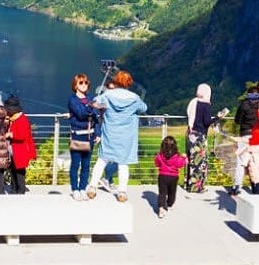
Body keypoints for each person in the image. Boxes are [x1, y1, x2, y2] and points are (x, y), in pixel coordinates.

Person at [87, 70, 147, 203]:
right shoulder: (134, 98)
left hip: (110, 133)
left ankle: (92, 187)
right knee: (123, 164)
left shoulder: (108, 95)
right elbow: (144, 108)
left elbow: (94, 103)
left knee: (102, 160)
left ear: (116, 81)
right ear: (129, 83)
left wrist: (100, 104)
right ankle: (122, 192)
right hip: (126, 137)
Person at [184, 83, 225, 193]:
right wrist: (218, 117)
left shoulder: (193, 102)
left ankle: (188, 184)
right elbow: (206, 122)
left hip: (191, 133)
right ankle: (197, 187)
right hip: (200, 136)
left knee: (191, 160)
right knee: (200, 161)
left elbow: (191, 115)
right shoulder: (206, 105)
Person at [67, 73, 102, 201]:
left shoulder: (90, 99)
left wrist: (98, 133)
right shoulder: (72, 100)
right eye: (81, 82)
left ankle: (83, 188)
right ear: (75, 85)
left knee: (86, 165)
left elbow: (96, 118)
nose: (84, 85)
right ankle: (75, 189)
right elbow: (81, 114)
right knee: (76, 164)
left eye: (86, 82)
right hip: (77, 136)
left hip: (90, 136)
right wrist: (90, 106)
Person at [229, 86, 259, 195]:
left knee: (241, 162)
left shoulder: (244, 105)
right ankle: (256, 186)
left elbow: (237, 120)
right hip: (258, 137)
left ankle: (237, 186)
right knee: (255, 162)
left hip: (245, 135)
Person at [5, 95, 35, 195]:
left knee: (19, 172)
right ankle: (14, 189)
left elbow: (22, 136)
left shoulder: (22, 120)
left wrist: (10, 134)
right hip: (14, 150)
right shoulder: (13, 118)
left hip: (20, 151)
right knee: (12, 170)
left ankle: (20, 191)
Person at [153, 135, 187, 218]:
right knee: (172, 192)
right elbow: (180, 165)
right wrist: (184, 158)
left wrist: (157, 159)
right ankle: (169, 204)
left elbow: (157, 164)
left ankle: (161, 209)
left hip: (162, 176)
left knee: (162, 193)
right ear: (175, 146)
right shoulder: (177, 157)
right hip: (173, 177)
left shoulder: (159, 155)